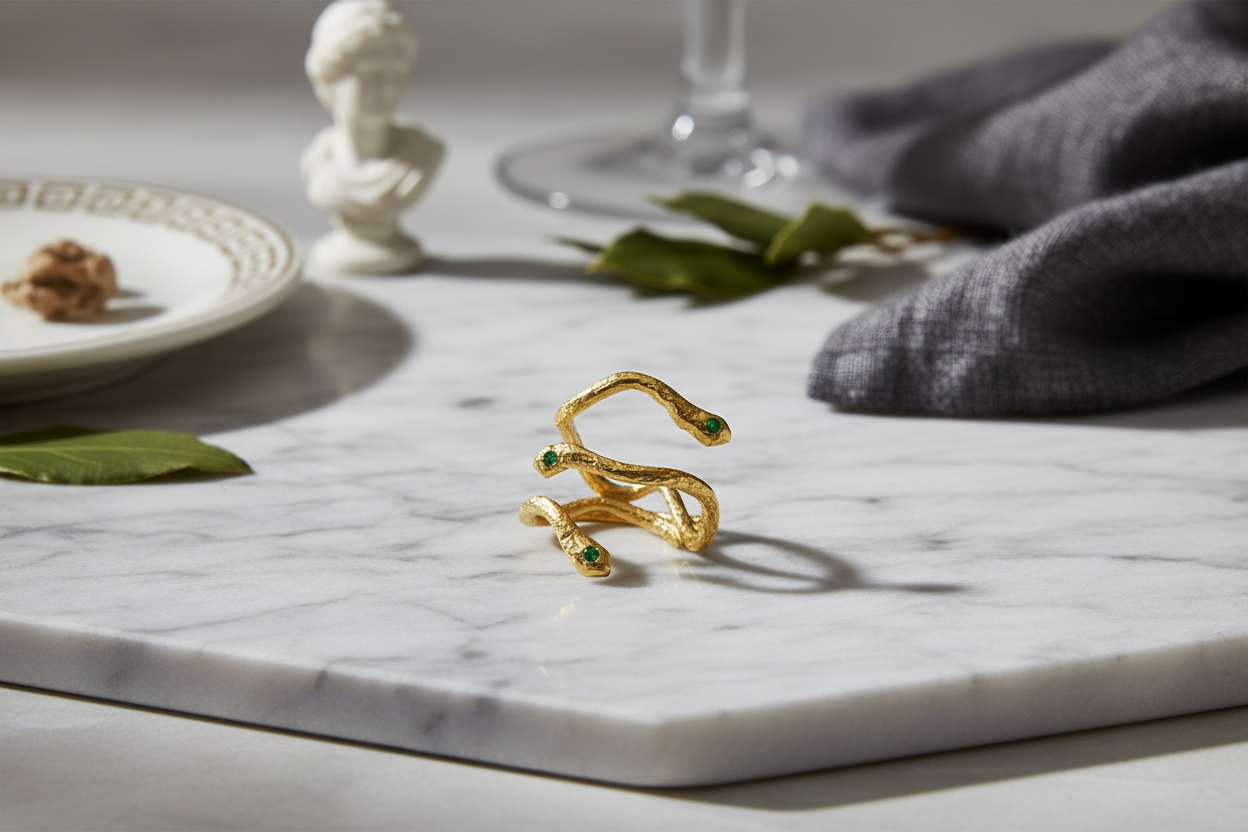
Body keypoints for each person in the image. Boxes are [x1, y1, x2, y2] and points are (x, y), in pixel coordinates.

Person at [302, 0, 445, 273]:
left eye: (396, 72)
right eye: (370, 72)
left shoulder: (423, 154)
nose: (388, 87)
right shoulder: (318, 160)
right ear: (331, 80)